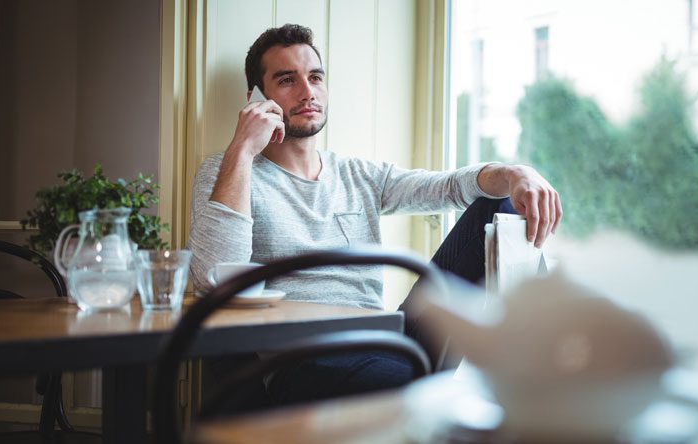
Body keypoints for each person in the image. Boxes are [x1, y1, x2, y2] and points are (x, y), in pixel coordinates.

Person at [188, 23, 562, 407]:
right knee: (424, 392)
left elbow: (449, 187)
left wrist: (516, 173)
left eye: (315, 77)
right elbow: (212, 277)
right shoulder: (229, 171)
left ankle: (540, 362)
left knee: (495, 203)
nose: (307, 91)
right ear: (256, 98)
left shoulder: (359, 174)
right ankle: (434, 393)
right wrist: (242, 149)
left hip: (387, 344)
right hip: (305, 360)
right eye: (287, 80)